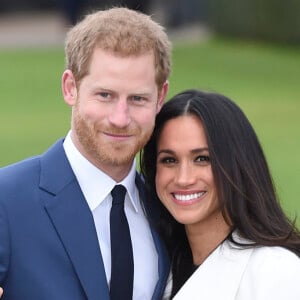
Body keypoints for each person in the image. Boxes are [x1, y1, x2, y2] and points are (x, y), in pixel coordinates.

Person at [0, 7, 171, 300]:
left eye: (138, 98)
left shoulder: (169, 210)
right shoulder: (6, 200)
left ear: (161, 98)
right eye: (105, 95)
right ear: (70, 88)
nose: (120, 118)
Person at [141, 89, 300, 299]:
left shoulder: (275, 270)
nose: (183, 178)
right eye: (169, 160)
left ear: (237, 164)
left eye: (202, 159)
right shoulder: (157, 264)